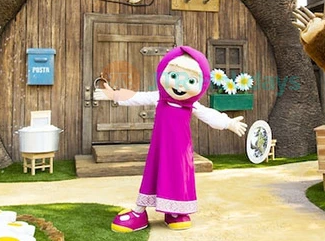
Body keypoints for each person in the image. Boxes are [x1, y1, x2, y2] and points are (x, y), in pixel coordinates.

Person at [95, 46, 247, 231]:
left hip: (180, 151)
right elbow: (137, 97)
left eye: (190, 80)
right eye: (174, 76)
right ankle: (139, 211)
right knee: (153, 175)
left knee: (178, 178)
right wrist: (114, 94)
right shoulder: (160, 97)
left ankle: (175, 211)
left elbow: (209, 115)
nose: (180, 85)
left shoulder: (191, 104)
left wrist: (228, 122)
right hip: (160, 149)